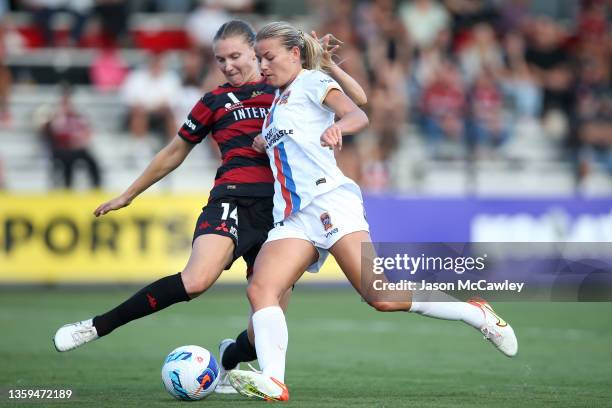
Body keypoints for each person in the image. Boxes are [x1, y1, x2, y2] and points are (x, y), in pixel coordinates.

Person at [52, 19, 367, 394]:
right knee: (196, 280)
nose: (228, 65)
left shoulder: (290, 87)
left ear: (256, 51)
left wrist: (327, 66)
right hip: (232, 197)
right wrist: (130, 193)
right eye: (220, 60)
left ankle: (230, 361)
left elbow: (358, 104)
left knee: (265, 320)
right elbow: (174, 152)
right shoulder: (213, 102)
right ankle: (97, 326)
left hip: (284, 213)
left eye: (235, 56)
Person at [226, 21, 519, 401]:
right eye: (259, 59)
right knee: (261, 288)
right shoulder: (277, 104)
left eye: (268, 57)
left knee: (380, 296)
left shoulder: (311, 82)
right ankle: (274, 381)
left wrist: (339, 127)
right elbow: (292, 140)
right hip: (294, 217)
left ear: (295, 55)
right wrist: (265, 140)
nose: (262, 65)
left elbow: (358, 112)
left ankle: (475, 313)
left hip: (331, 203)